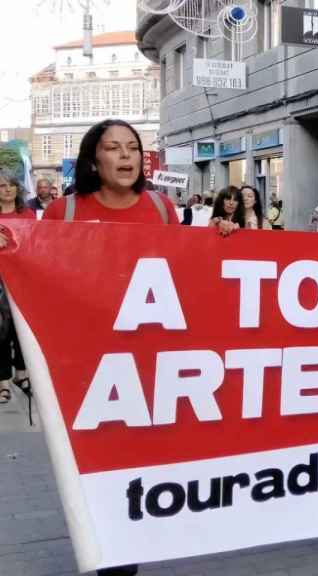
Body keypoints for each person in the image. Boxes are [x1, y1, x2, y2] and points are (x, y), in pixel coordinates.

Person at [41, 119, 181, 576]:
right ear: (92, 160)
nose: (126, 156)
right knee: (95, 466)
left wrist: (221, 239)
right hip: (85, 370)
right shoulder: (63, 213)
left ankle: (123, 549)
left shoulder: (162, 209)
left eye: (134, 147)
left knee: (136, 462)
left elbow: (187, 275)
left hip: (147, 366)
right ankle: (110, 552)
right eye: (113, 148)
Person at [0, 169, 35, 406]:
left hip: (23, 280)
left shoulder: (28, 214)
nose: (8, 189)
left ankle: (22, 373)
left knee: (22, 330)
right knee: (1, 331)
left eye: (11, 184)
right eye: (2, 186)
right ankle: (3, 381)